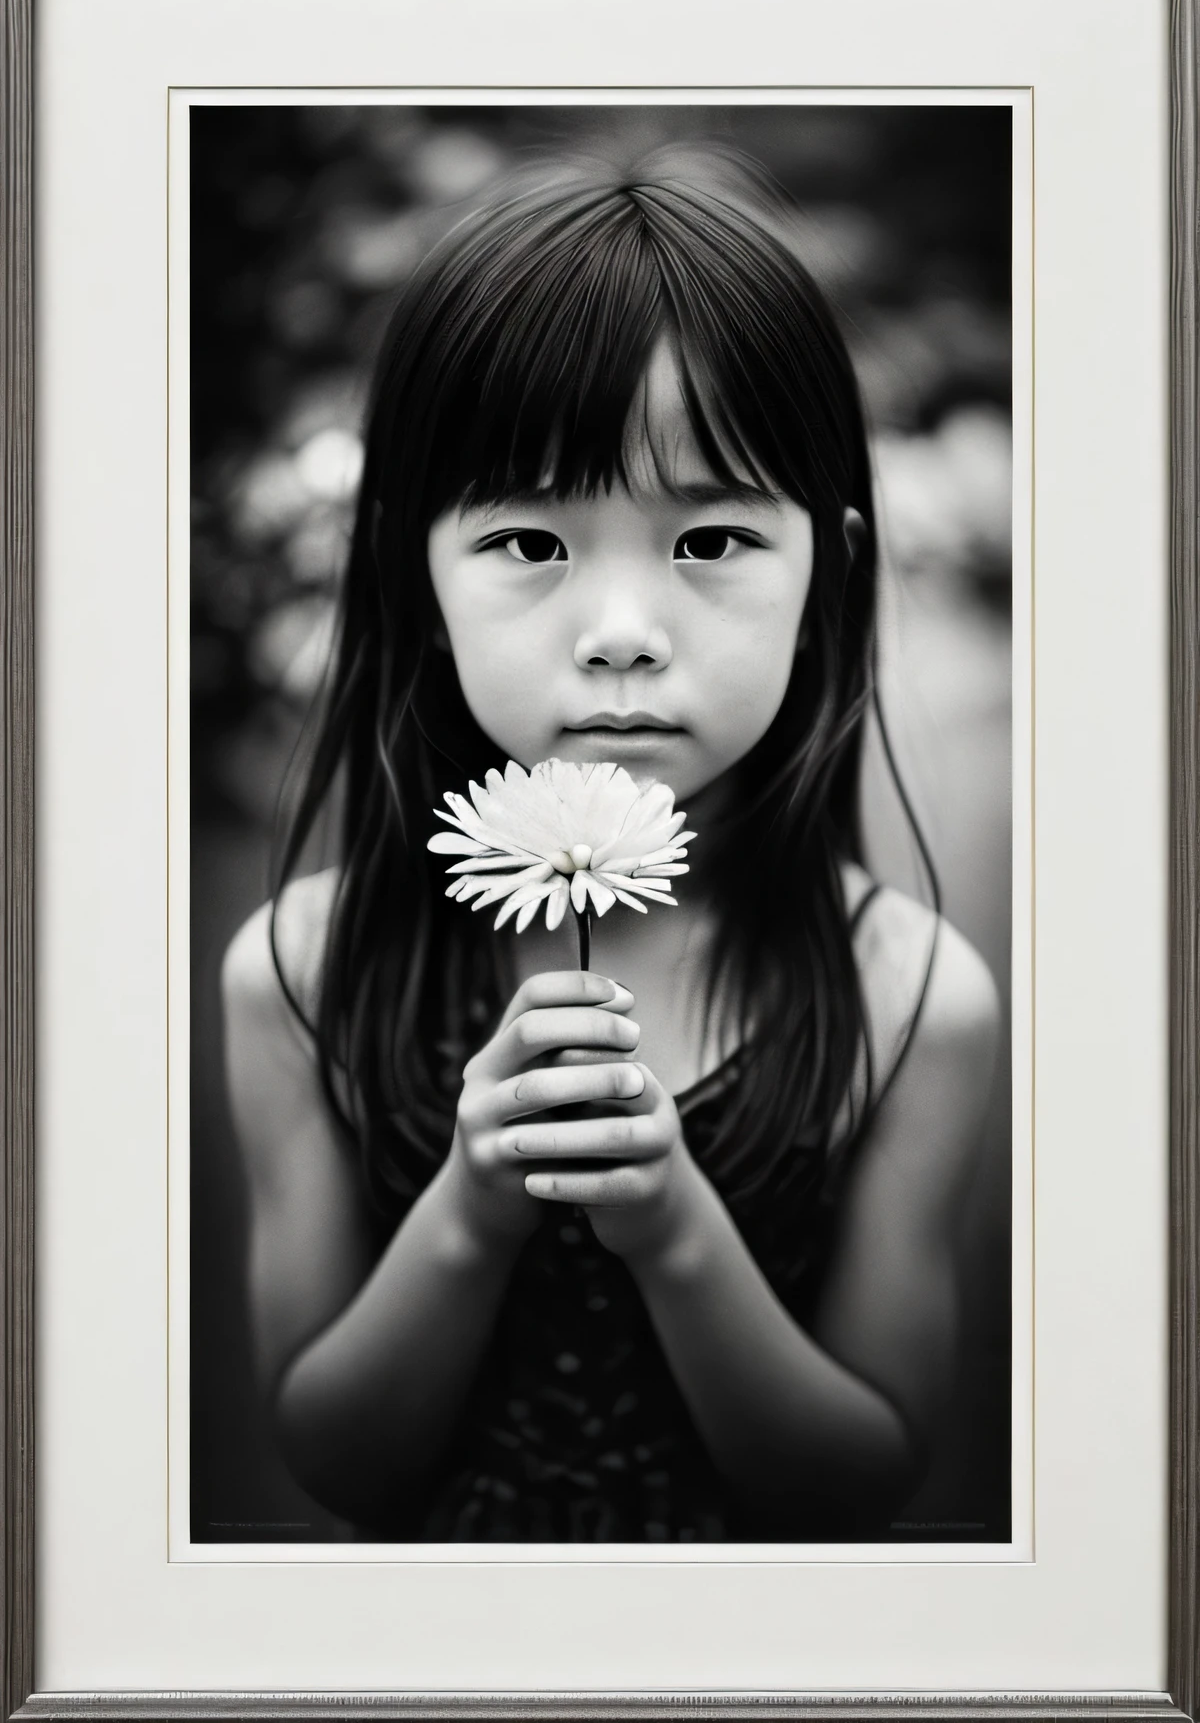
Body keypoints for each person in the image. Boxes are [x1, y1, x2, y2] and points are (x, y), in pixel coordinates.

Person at [220, 144, 1001, 1545]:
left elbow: (868, 1479)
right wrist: (470, 1209)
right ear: (414, 571)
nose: (622, 627)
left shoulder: (911, 997)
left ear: (828, 566)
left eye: (710, 539)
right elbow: (332, 1458)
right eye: (529, 539)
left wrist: (675, 1232)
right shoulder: (302, 969)